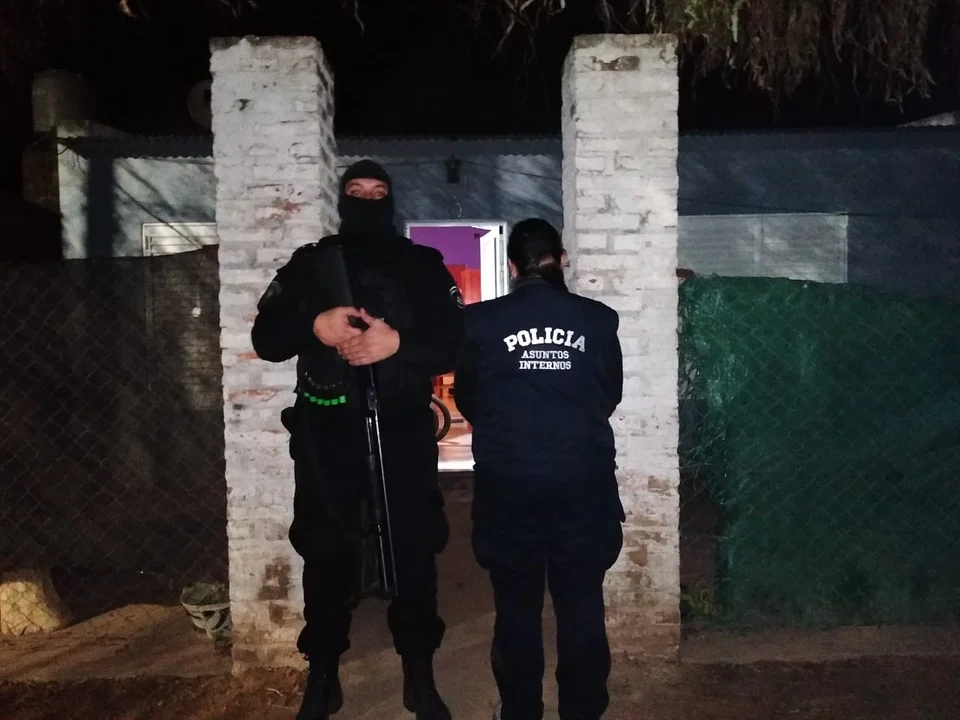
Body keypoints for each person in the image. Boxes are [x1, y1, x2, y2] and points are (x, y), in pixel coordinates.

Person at [251, 159, 464, 720]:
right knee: (325, 549)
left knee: (412, 548)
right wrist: (315, 326)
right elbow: (267, 337)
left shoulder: (422, 264)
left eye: (378, 191)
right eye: (356, 190)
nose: (368, 199)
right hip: (327, 429)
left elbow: (454, 341)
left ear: (391, 200)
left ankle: (419, 672)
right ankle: (323, 672)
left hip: (400, 425)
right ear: (341, 199)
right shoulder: (311, 263)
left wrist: (398, 345)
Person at [453, 218, 625, 720]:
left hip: (509, 482)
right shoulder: (599, 320)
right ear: (562, 259)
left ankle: (521, 709)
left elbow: (468, 398)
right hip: (583, 480)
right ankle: (583, 709)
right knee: (581, 600)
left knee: (516, 603)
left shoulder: (479, 322)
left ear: (511, 267)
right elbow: (609, 395)